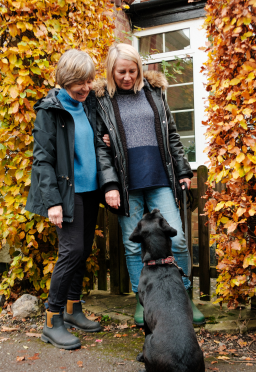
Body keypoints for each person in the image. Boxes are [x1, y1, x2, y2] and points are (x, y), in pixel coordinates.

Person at [93, 43, 204, 325]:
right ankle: (143, 302)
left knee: (177, 239)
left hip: (159, 178)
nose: (127, 77)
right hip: (127, 184)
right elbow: (101, 148)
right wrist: (110, 186)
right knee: (133, 247)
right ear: (111, 71)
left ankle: (185, 299)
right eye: (121, 72)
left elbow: (172, 136)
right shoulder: (102, 100)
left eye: (132, 71)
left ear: (140, 69)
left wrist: (183, 170)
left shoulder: (154, 93)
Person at [25, 49, 104, 350]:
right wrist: (53, 202)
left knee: (83, 252)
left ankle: (73, 309)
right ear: (65, 80)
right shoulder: (50, 110)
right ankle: (51, 320)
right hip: (66, 194)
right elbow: (42, 160)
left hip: (90, 190)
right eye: (79, 82)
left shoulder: (90, 104)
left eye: (89, 80)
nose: (85, 87)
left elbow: (92, 139)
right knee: (71, 251)